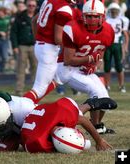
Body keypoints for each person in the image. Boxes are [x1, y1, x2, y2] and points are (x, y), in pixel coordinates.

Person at [0, 90, 117, 151]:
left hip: (25, 120)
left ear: (10, 113)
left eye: (4, 124)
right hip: (9, 123)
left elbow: (79, 119)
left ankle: (89, 104)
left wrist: (98, 140)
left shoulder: (23, 109)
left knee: (66, 118)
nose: (2, 130)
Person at [51, 0, 115, 134]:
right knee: (96, 93)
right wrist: (90, 59)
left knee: (105, 98)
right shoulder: (72, 28)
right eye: (89, 16)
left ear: (102, 17)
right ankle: (67, 120)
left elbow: (101, 50)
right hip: (66, 69)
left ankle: (96, 125)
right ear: (83, 16)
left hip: (84, 67)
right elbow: (68, 60)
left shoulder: (108, 30)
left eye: (96, 16)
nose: (92, 19)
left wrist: (95, 64)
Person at [23, 0, 79, 103]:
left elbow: (34, 21)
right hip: (49, 49)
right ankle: (17, 108)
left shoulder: (49, 1)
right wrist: (72, 49)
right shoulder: (64, 9)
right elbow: (58, 38)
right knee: (38, 90)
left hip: (42, 47)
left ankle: (28, 104)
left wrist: (39, 39)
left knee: (58, 78)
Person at [21, 96, 117, 153]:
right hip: (40, 113)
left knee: (75, 114)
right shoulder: (40, 143)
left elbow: (83, 120)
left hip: (63, 106)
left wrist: (99, 140)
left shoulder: (38, 142)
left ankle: (90, 104)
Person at [10, 0, 37, 96]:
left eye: (33, 5)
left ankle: (36, 91)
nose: (31, 7)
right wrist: (15, 46)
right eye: (29, 5)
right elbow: (13, 32)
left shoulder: (39, 15)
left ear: (36, 6)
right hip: (22, 46)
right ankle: (19, 90)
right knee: (21, 69)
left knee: (36, 68)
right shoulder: (20, 16)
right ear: (26, 6)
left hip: (35, 45)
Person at [104, 2, 129, 93]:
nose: (114, 12)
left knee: (119, 66)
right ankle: (107, 86)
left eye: (115, 10)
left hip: (117, 45)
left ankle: (121, 86)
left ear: (118, 11)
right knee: (107, 67)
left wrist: (125, 46)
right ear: (110, 11)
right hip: (107, 45)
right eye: (112, 10)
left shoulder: (122, 20)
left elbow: (126, 34)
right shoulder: (106, 19)